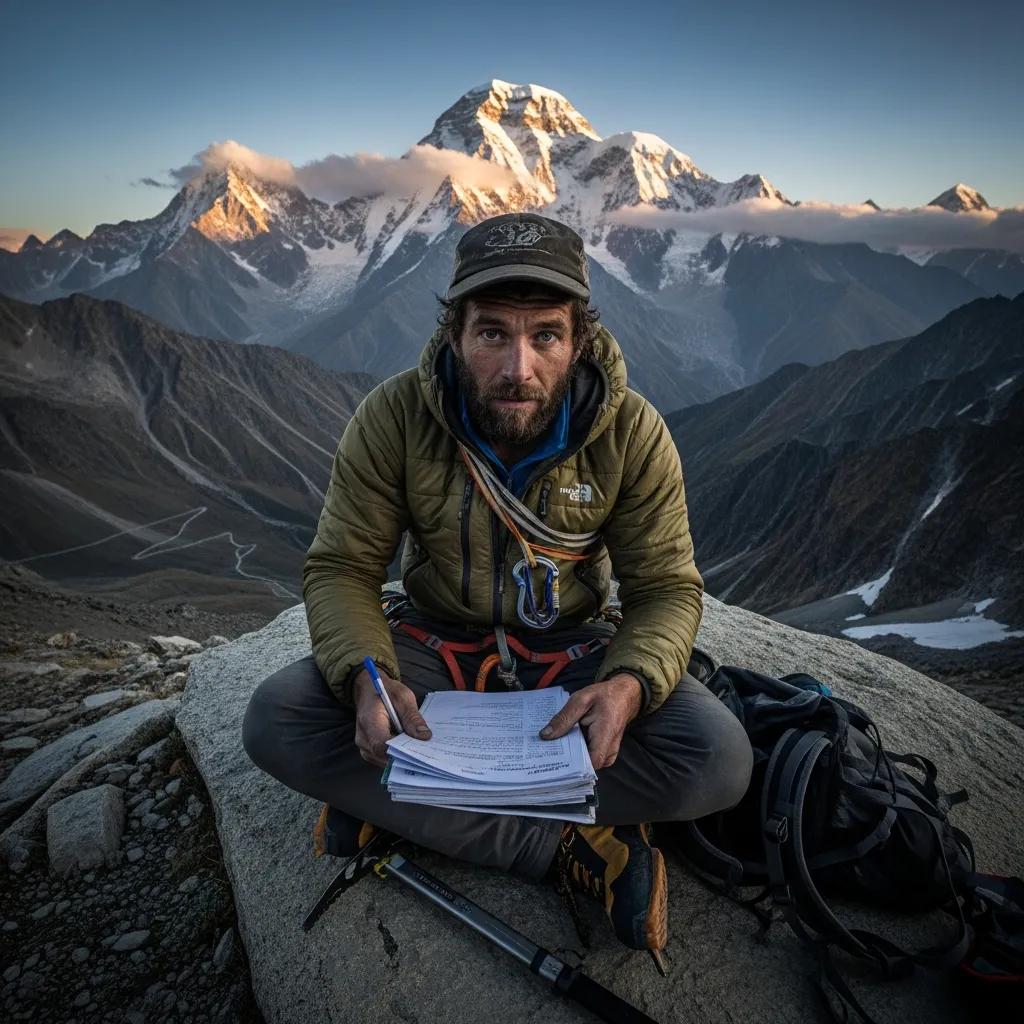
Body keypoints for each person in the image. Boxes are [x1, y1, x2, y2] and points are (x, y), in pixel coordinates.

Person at [242, 212, 753, 965]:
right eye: (492, 335)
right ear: (455, 334)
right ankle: (569, 848)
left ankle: (405, 804)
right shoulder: (394, 419)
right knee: (275, 720)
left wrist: (628, 687)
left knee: (718, 758)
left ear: (579, 338)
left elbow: (667, 588)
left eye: (544, 335)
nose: (519, 367)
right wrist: (368, 676)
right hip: (432, 649)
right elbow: (345, 567)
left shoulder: (630, 434)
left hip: (569, 661)